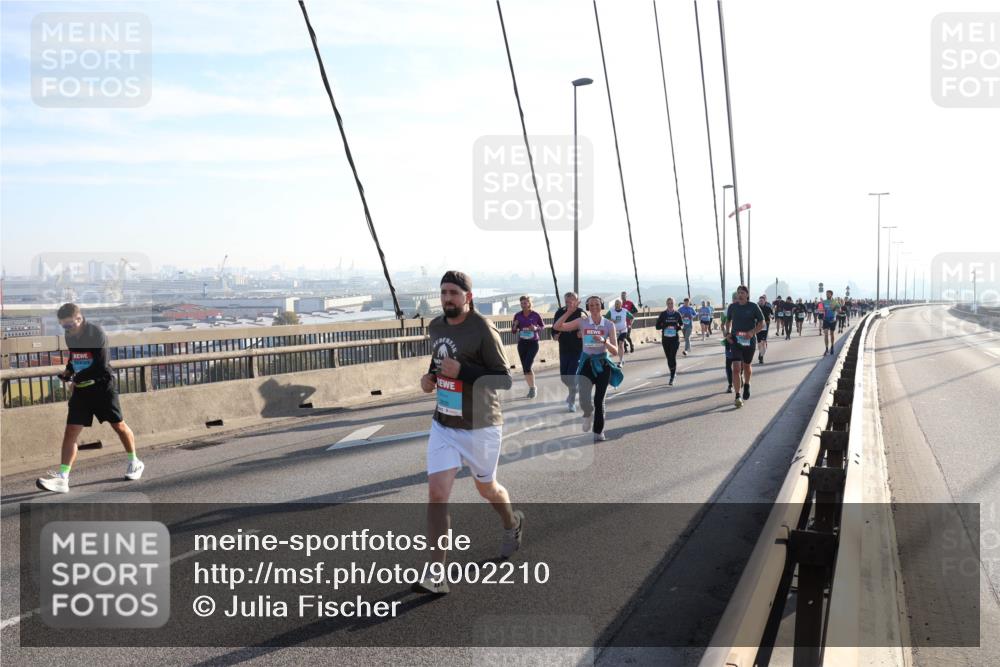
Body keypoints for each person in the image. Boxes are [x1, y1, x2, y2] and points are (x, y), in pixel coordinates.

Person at [415, 271, 522, 594]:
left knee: (487, 489)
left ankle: (512, 523)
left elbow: (503, 380)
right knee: (437, 495)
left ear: (468, 297)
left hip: (482, 425)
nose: (447, 298)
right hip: (445, 424)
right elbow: (439, 363)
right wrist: (429, 378)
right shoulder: (436, 326)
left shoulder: (483, 330)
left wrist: (464, 372)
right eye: (443, 292)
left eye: (453, 293)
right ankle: (437, 575)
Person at [36, 304, 144, 494]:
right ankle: (63, 478)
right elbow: (74, 358)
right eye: (63, 327)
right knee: (71, 432)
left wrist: (76, 378)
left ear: (80, 318)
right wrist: (68, 372)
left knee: (118, 425)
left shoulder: (96, 333)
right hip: (82, 392)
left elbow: (100, 365)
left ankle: (134, 462)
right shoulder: (70, 335)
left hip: (102, 388)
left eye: (69, 325)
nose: (67, 330)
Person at [554, 295, 620, 442]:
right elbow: (557, 327)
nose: (594, 307)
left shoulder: (609, 325)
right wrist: (569, 311)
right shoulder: (582, 322)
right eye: (591, 305)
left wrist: (604, 342)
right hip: (586, 364)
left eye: (597, 304)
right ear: (588, 307)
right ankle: (587, 414)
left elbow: (615, 351)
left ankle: (598, 431)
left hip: (603, 364)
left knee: (599, 400)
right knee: (584, 399)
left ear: (601, 306)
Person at [724, 286, 766, 408]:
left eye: (742, 293)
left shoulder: (753, 306)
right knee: (736, 368)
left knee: (747, 366)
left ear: (747, 295)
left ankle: (747, 384)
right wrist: (727, 333)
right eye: (738, 293)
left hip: (749, 341)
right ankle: (738, 395)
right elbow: (728, 321)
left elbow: (761, 322)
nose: (740, 295)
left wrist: (752, 332)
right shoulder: (733, 307)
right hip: (736, 340)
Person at [552, 292, 586, 412]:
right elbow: (554, 329)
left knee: (571, 376)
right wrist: (555, 335)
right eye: (567, 302)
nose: (569, 304)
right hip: (564, 349)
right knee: (564, 378)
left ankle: (571, 401)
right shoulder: (560, 312)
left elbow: (588, 329)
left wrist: (582, 333)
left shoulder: (581, 313)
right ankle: (574, 389)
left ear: (577, 301)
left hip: (577, 350)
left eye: (572, 301)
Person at [511, 295, 544, 400]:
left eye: (525, 303)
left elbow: (542, 327)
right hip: (522, 344)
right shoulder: (517, 315)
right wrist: (515, 325)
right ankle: (531, 388)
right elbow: (513, 331)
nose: (523, 305)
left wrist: (535, 328)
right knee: (525, 369)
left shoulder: (535, 315)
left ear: (529, 303)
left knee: (528, 366)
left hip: (533, 343)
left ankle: (533, 388)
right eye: (521, 303)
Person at [655, 298, 684, 385]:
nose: (670, 305)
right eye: (668, 303)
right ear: (666, 304)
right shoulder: (663, 314)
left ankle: (672, 376)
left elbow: (681, 324)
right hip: (666, 339)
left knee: (672, 356)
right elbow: (657, 326)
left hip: (675, 339)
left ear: (674, 304)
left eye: (671, 303)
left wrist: (677, 328)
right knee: (668, 358)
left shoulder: (677, 314)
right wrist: (664, 326)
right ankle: (672, 372)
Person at [606, 299, 634, 365]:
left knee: (621, 344)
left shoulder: (624, 311)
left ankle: (620, 361)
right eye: (616, 303)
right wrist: (611, 319)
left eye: (618, 304)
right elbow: (605, 318)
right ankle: (617, 359)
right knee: (613, 346)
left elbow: (632, 317)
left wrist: (630, 324)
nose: (616, 305)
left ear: (621, 304)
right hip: (614, 331)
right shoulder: (611, 311)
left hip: (623, 330)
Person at [756, 295, 774, 364]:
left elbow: (772, 316)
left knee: (763, 342)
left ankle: (761, 357)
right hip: (758, 327)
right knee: (759, 343)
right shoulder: (756, 308)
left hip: (765, 326)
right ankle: (760, 353)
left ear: (765, 301)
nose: (761, 302)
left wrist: (771, 316)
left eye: (762, 301)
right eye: (760, 301)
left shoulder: (768, 308)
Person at [821, 289, 839, 355]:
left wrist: (834, 308)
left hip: (832, 320)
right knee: (825, 334)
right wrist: (822, 309)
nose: (827, 295)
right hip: (826, 319)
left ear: (831, 295)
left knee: (831, 334)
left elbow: (839, 310)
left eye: (828, 294)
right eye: (826, 294)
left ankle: (832, 347)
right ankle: (826, 349)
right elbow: (821, 310)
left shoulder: (834, 302)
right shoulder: (824, 302)